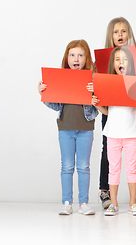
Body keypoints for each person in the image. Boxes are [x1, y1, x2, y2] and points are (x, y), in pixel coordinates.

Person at [38, 39, 98, 215]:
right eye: (72, 55)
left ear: (87, 58)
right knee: (67, 166)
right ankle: (67, 202)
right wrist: (44, 92)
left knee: (84, 166)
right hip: (65, 128)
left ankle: (84, 203)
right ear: (67, 58)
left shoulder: (93, 80)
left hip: (85, 129)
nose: (76, 59)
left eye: (80, 55)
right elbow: (56, 105)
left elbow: (99, 106)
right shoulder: (62, 78)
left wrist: (95, 91)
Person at [99, 17, 136, 209]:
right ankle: (107, 193)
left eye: (123, 31)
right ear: (110, 36)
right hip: (112, 109)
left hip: (132, 111)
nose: (120, 35)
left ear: (129, 34)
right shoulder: (106, 61)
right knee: (109, 150)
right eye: (116, 32)